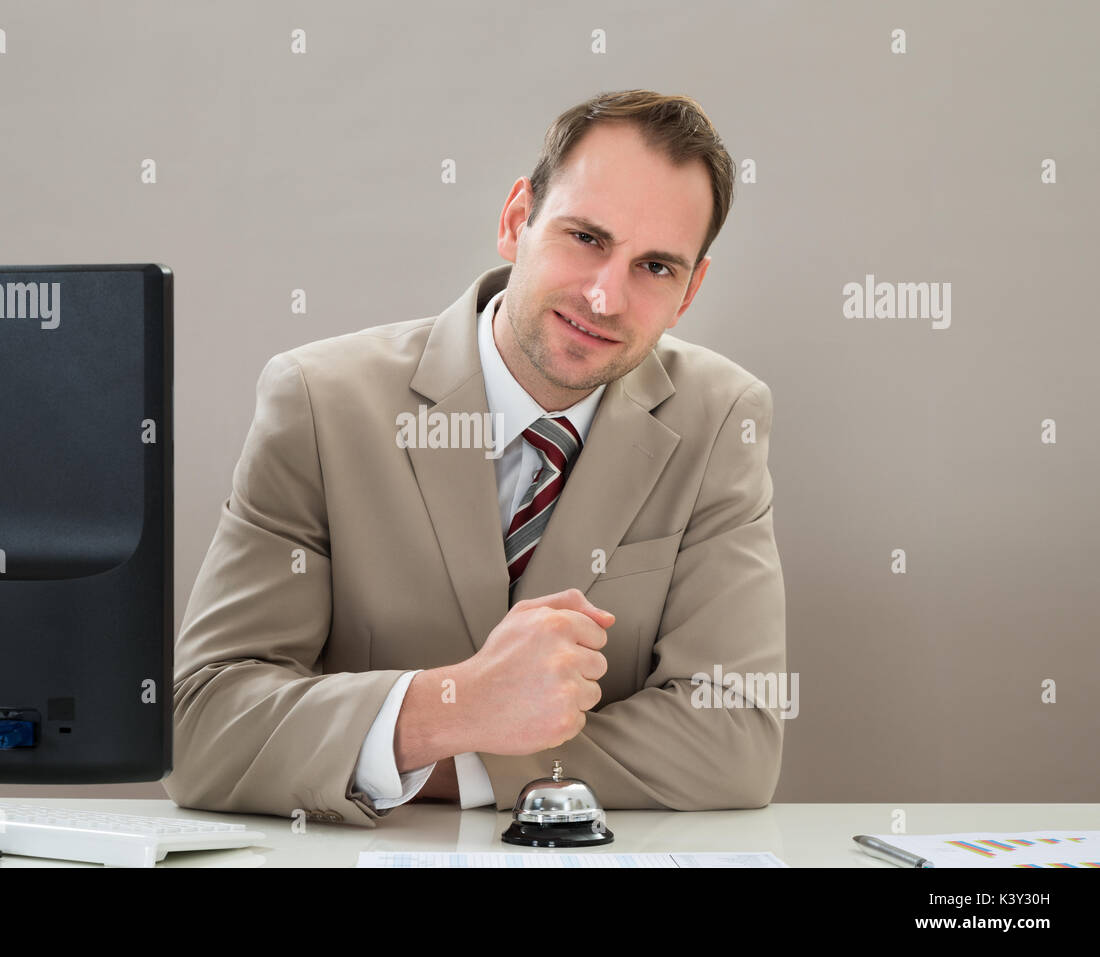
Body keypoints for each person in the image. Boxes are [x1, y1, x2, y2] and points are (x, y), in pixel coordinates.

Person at [163, 89, 787, 826]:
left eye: (655, 267)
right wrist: (451, 707)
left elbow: (734, 738)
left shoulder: (721, 419)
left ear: (689, 292)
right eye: (586, 237)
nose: (604, 296)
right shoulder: (319, 402)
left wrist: (439, 753)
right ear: (516, 220)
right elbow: (201, 727)